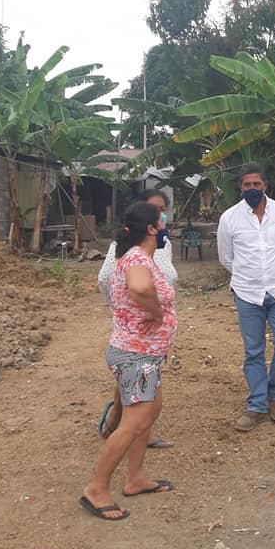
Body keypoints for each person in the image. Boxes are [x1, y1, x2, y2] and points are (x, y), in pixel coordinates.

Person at [80, 202, 178, 521]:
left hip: (146, 355)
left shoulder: (139, 256)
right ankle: (96, 488)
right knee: (133, 423)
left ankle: (135, 479)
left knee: (149, 414)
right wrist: (157, 313)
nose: (165, 226)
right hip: (136, 357)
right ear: (150, 229)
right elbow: (138, 287)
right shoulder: (136, 257)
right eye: (161, 222)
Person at [217, 163, 275, 432]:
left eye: (256, 184)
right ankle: (257, 404)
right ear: (240, 187)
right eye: (247, 185)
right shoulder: (229, 218)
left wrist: (272, 273)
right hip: (247, 292)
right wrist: (248, 275)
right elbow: (226, 258)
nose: (252, 188)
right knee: (254, 351)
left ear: (265, 185)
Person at [97, 189, 177, 448]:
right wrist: (127, 311)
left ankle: (135, 435)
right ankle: (122, 425)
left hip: (154, 335)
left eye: (163, 209)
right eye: (155, 209)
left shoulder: (164, 245)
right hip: (136, 331)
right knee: (137, 387)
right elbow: (107, 279)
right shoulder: (127, 248)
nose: (161, 215)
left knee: (143, 387)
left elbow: (164, 279)